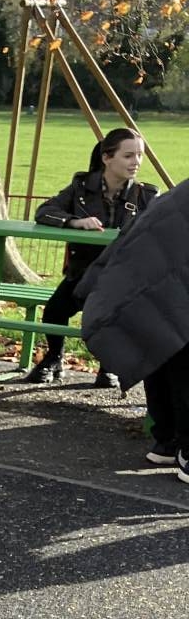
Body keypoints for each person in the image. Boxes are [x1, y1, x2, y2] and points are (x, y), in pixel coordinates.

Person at [26, 128, 156, 386]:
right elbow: (44, 212)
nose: (136, 162)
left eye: (139, 155)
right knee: (54, 311)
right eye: (128, 156)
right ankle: (54, 358)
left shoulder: (146, 195)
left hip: (122, 277)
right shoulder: (80, 187)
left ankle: (108, 366)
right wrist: (74, 222)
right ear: (107, 158)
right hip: (83, 271)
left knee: (115, 318)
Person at [79, 178, 189, 478]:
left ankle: (167, 441)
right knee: (181, 362)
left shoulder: (176, 195)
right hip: (172, 289)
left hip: (143, 288)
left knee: (161, 354)